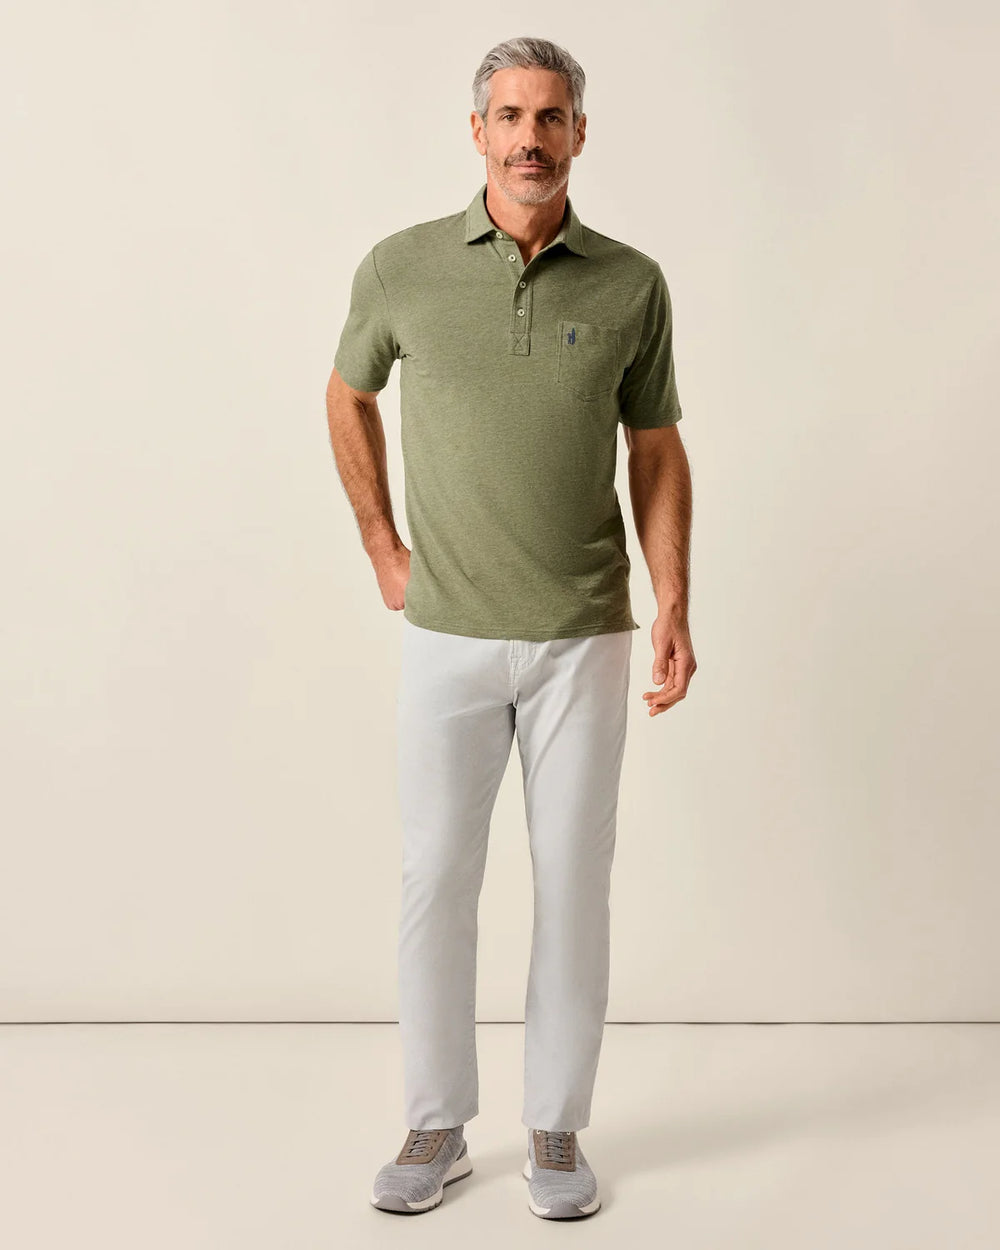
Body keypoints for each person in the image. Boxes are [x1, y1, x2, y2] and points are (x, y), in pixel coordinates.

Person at [325, 35, 695, 1220]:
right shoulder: (402, 266)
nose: (528, 137)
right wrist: (381, 545)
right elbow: (347, 392)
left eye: (549, 116)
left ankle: (555, 1126)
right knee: (435, 874)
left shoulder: (631, 282)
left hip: (585, 632)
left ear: (579, 132)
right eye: (509, 116)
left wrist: (674, 598)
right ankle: (436, 1120)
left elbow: (655, 447)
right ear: (477, 131)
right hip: (446, 631)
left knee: (574, 881)